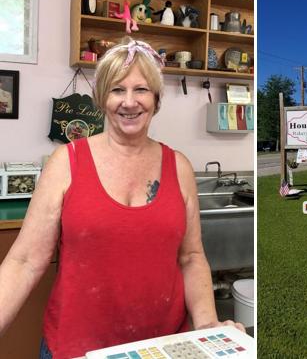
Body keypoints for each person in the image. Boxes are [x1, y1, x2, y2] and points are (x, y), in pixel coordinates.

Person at [0, 40, 244, 359]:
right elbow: (25, 261)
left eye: (141, 89)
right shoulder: (65, 162)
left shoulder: (179, 167)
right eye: (117, 90)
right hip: (76, 349)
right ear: (102, 98)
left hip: (164, 348)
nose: (129, 102)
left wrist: (207, 325)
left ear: (156, 99)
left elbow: (192, 257)